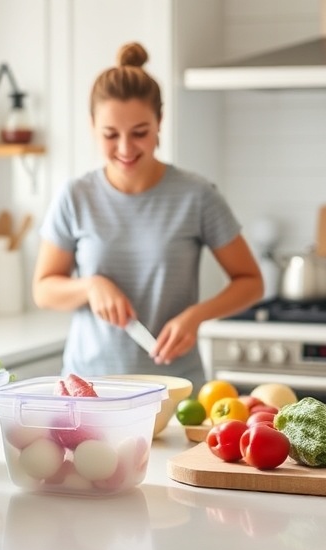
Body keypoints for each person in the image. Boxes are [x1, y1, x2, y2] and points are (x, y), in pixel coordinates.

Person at [32, 42, 263, 385]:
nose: (125, 149)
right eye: (111, 135)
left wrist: (196, 316)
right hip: (90, 391)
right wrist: (91, 286)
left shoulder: (196, 195)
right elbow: (44, 290)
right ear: (92, 125)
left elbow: (251, 282)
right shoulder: (75, 197)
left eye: (139, 133)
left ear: (160, 122)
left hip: (175, 391)